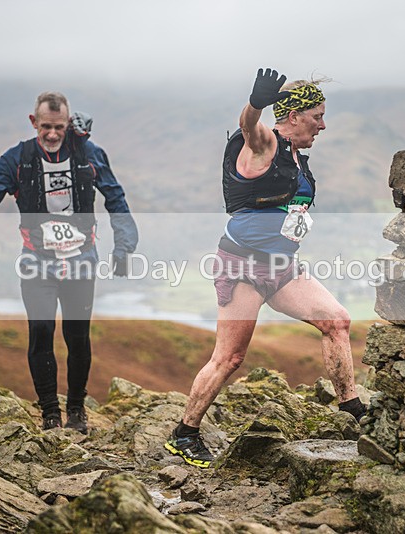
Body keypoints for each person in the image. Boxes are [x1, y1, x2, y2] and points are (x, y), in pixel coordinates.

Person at [164, 68, 366, 468]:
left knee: (337, 321)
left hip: (282, 266)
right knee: (230, 358)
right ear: (293, 117)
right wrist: (256, 103)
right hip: (242, 268)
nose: (323, 125)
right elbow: (249, 125)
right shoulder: (263, 145)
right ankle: (184, 434)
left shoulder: (295, 157)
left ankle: (352, 410)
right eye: (317, 116)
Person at [0, 92, 138, 433]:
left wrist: (124, 246)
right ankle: (50, 414)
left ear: (68, 123)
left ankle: (76, 411)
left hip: (81, 260)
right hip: (36, 261)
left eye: (59, 127)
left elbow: (115, 197)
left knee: (77, 336)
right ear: (34, 123)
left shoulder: (89, 154)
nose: (53, 134)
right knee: (41, 332)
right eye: (46, 127)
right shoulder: (17, 158)